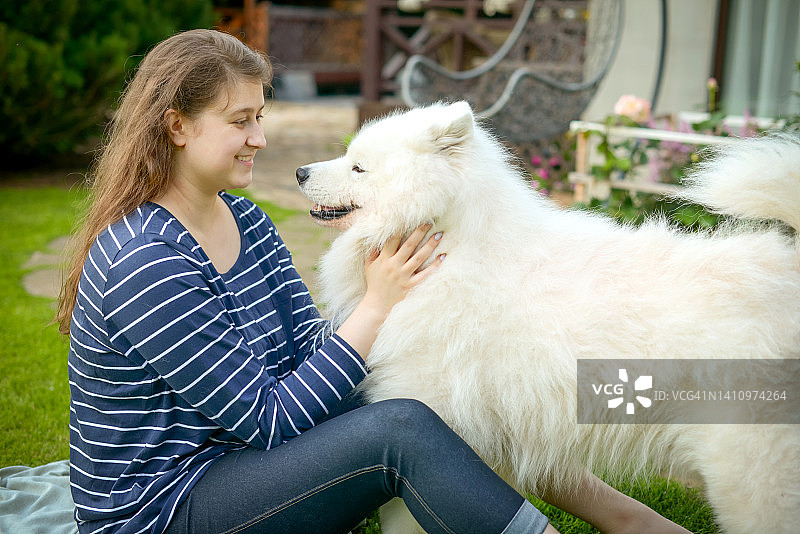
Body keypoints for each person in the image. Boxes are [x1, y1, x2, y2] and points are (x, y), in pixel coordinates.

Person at [57, 29, 690, 534]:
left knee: (471, 396)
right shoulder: (146, 260)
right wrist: (377, 304)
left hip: (244, 461)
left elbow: (308, 348)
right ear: (176, 127)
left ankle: (631, 520)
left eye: (260, 116)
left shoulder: (244, 219)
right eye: (239, 121)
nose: (260, 138)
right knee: (402, 429)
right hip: (169, 506)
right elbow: (270, 419)